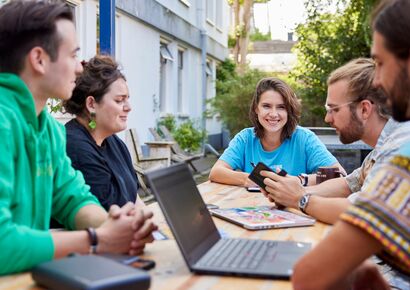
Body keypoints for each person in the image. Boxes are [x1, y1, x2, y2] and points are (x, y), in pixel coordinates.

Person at [0, 0, 156, 275]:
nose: (78, 68)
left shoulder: (47, 128)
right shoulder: (3, 122)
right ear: (39, 59)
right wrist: (97, 240)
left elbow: (71, 198)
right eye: (72, 55)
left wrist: (114, 227)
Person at [292, 0, 410, 289]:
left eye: (381, 63)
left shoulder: (404, 155)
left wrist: (300, 198)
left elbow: (310, 275)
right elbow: (351, 185)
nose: (378, 80)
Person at [261, 58, 410, 224]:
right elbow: (348, 184)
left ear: (364, 109)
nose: (327, 118)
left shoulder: (400, 149)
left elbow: (362, 214)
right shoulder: (381, 149)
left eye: (334, 109)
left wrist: (300, 199)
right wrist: (290, 192)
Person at [209, 77, 343, 187]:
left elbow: (340, 174)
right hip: (252, 210)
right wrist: (248, 179)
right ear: (257, 109)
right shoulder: (245, 138)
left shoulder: (304, 139)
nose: (273, 114)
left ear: (289, 111)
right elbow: (216, 172)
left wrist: (300, 180)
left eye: (281, 107)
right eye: (266, 106)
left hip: (294, 211)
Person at [63, 55, 140, 211]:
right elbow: (106, 214)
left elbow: (136, 201)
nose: (128, 107)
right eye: (119, 100)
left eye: (127, 99)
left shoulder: (114, 142)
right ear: (91, 104)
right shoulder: (75, 148)